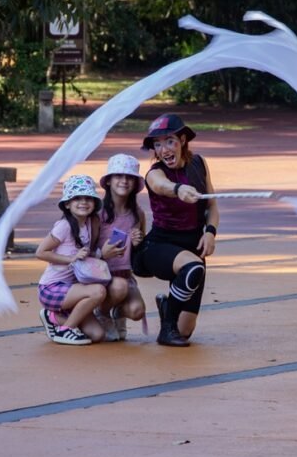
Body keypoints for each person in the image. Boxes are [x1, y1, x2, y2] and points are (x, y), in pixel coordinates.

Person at [132, 114, 219, 346]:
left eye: (169, 141)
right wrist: (178, 189)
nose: (163, 150)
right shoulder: (155, 173)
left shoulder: (199, 163)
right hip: (159, 246)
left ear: (182, 140)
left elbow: (211, 205)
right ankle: (166, 329)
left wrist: (210, 232)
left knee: (185, 331)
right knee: (193, 267)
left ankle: (167, 307)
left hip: (192, 245)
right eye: (157, 144)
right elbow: (161, 185)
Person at [35, 175, 128, 345]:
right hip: (52, 289)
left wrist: (103, 253)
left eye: (88, 198)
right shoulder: (64, 226)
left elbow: (87, 257)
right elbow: (41, 252)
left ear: (94, 203)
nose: (83, 202)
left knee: (97, 335)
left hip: (74, 290)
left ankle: (53, 317)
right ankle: (66, 329)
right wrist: (71, 258)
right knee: (98, 291)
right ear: (67, 204)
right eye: (77, 198)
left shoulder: (90, 223)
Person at [96, 154, 148, 341]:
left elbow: (139, 256)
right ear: (108, 181)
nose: (124, 181)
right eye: (118, 176)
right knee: (119, 287)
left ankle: (117, 312)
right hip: (99, 276)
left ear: (135, 183)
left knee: (137, 310)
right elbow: (83, 247)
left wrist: (138, 244)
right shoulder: (98, 213)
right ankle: (101, 313)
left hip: (125, 274)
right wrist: (102, 254)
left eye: (129, 177)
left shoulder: (138, 214)